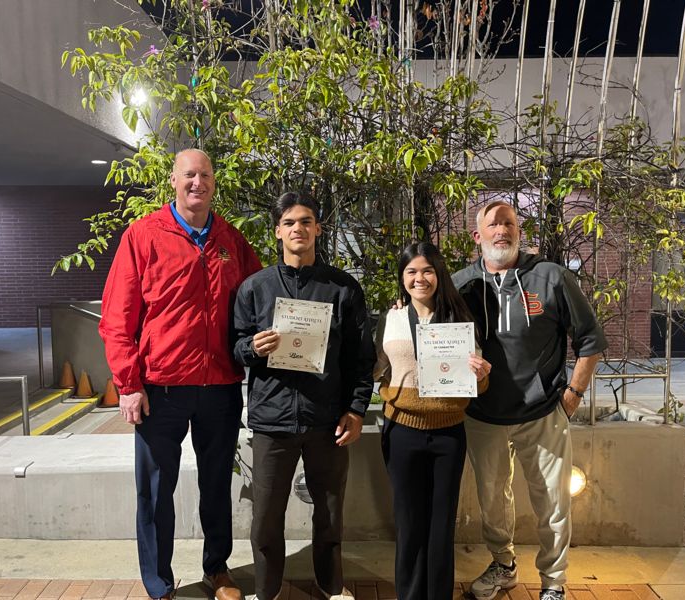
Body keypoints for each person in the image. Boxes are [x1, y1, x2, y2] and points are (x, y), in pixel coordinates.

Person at [99, 149, 262, 600]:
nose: (198, 183)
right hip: (160, 390)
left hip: (220, 387)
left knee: (216, 485)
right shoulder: (143, 235)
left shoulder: (231, 239)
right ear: (173, 180)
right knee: (155, 491)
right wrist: (128, 385)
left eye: (205, 175)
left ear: (214, 182)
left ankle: (217, 569)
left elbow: (261, 297)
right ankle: (159, 583)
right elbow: (117, 318)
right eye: (189, 174)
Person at [453, 201, 607, 600]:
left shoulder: (550, 277)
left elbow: (590, 338)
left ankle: (553, 582)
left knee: (553, 504)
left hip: (542, 412)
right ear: (478, 236)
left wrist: (573, 394)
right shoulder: (460, 284)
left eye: (509, 223)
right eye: (493, 224)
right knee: (492, 501)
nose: (502, 230)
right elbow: (434, 329)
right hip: (483, 413)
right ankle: (503, 565)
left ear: (519, 231)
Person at [232, 192, 374, 600]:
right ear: (278, 231)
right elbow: (235, 347)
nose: (299, 229)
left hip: (326, 420)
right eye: (290, 222)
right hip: (272, 420)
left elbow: (359, 358)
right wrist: (252, 348)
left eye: (307, 221)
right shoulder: (255, 288)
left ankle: (331, 586)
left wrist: (356, 409)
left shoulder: (343, 288)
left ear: (318, 229)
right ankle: (267, 590)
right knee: (265, 518)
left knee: (329, 513)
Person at [374, 242, 491, 600]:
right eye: (411, 271)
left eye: (426, 271)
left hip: (448, 434)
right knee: (409, 524)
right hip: (401, 431)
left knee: (441, 526)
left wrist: (483, 374)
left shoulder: (459, 321)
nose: (419, 278)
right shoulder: (390, 317)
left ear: (438, 275)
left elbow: (478, 383)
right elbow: (379, 368)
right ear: (402, 278)